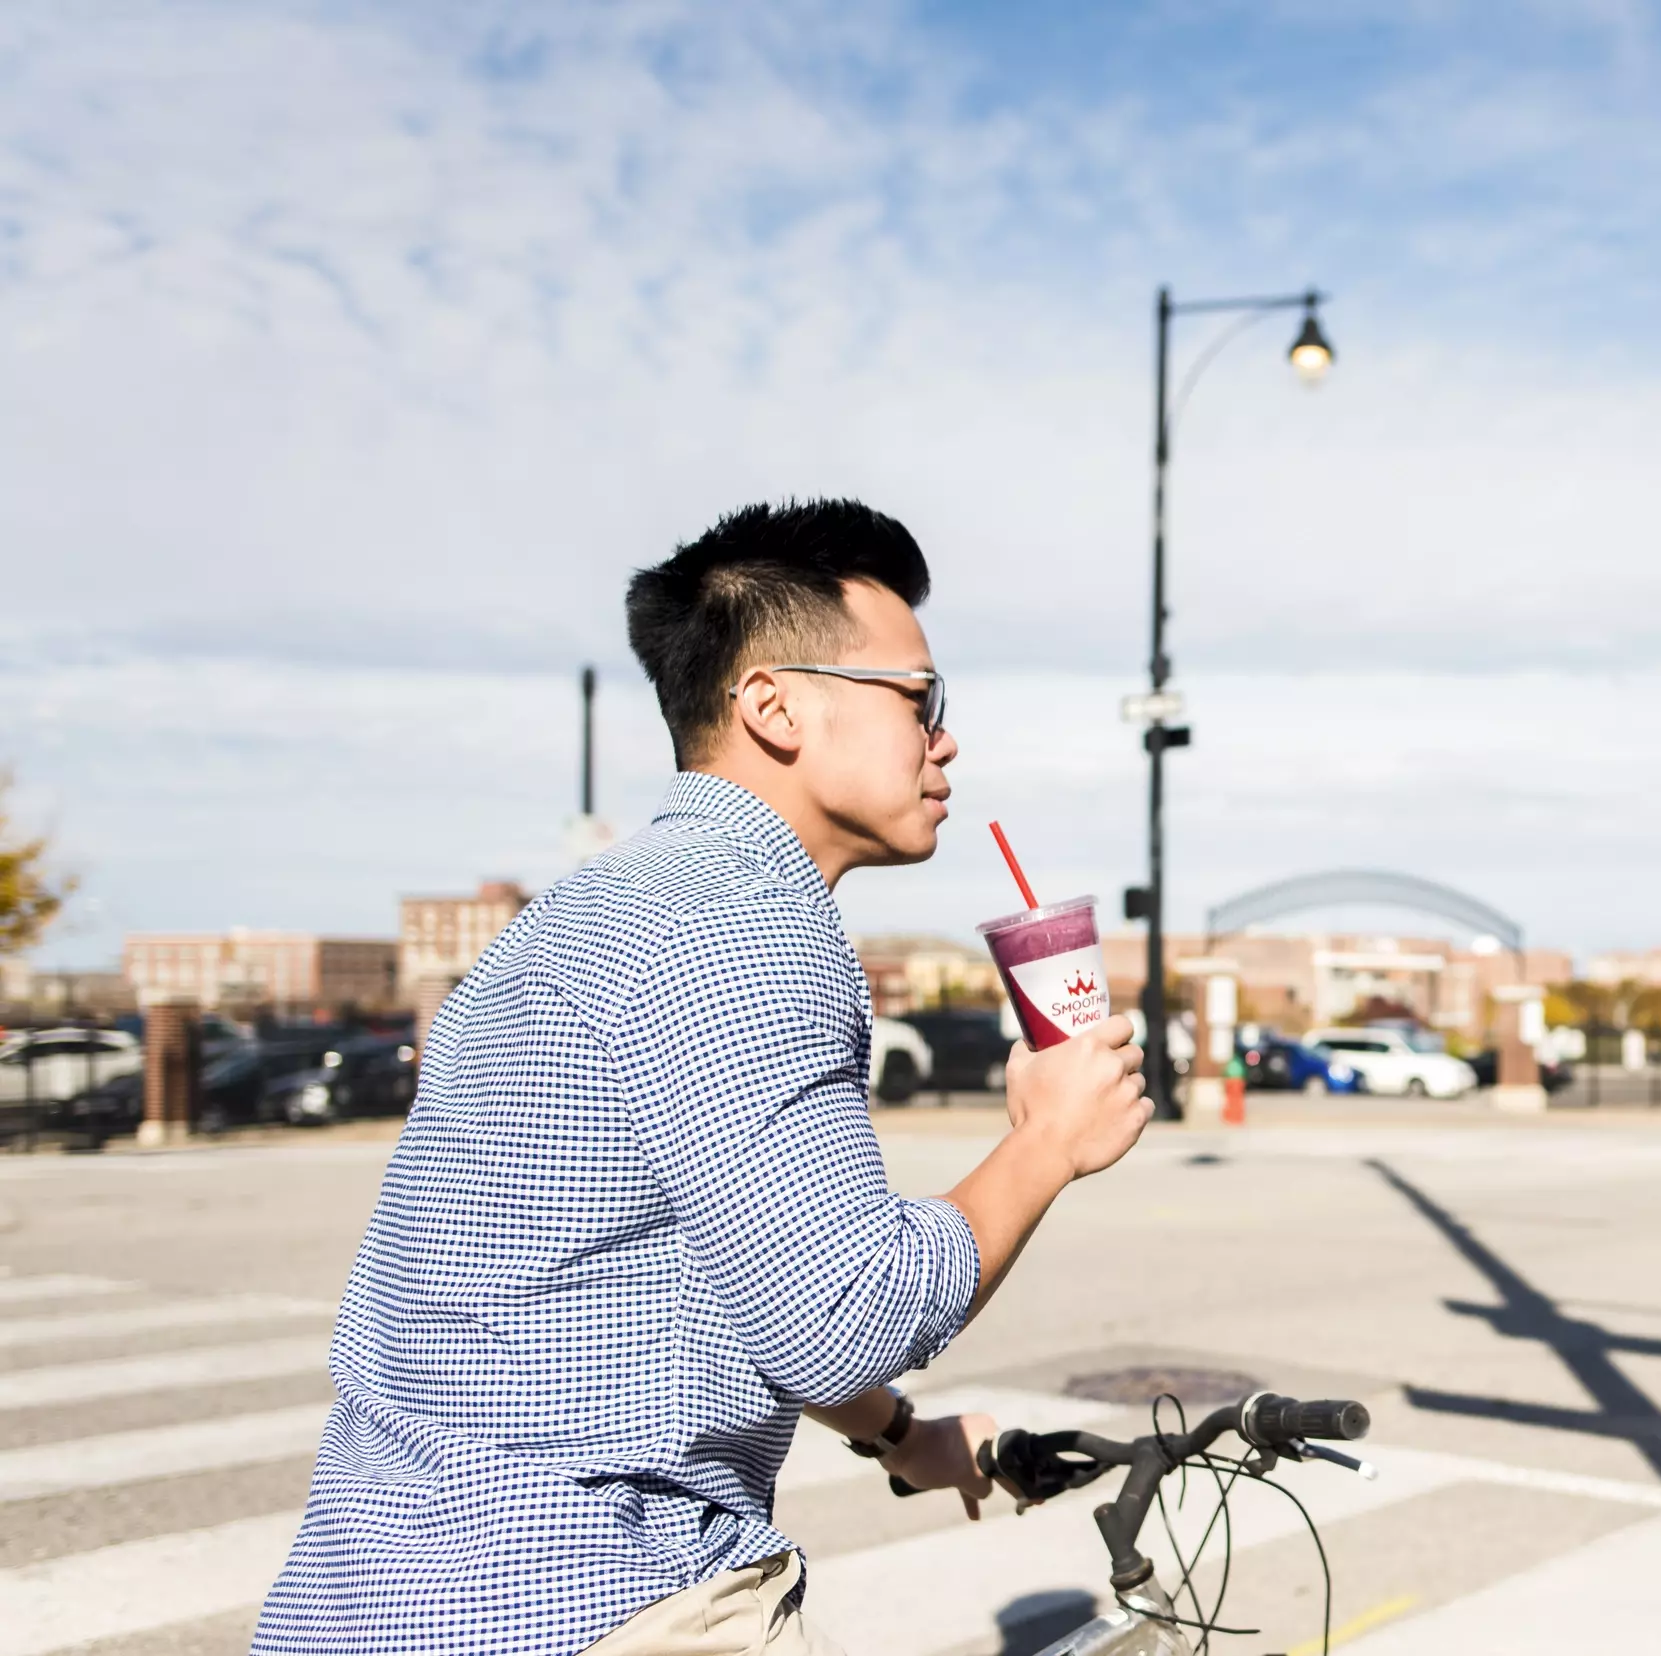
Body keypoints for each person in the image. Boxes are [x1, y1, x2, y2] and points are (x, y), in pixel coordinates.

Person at [254, 500, 1154, 1655]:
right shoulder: (750, 928)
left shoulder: (583, 914)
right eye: (920, 698)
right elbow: (841, 1315)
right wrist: (1047, 1142)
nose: (946, 738)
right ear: (773, 704)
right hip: (600, 1598)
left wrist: (899, 1438)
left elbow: (710, 1274)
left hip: (374, 1592)